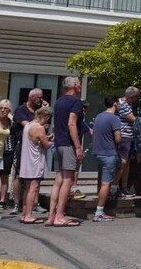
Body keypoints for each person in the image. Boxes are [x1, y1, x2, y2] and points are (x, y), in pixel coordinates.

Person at [46, 77, 84, 227]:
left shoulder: (58, 102)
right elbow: (72, 123)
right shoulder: (76, 102)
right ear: (74, 85)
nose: (80, 85)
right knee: (68, 180)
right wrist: (78, 147)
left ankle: (51, 215)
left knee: (59, 179)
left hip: (59, 143)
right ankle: (60, 216)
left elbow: (55, 125)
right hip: (68, 144)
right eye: (79, 83)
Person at [9, 88, 47, 215]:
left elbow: (45, 124)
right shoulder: (21, 110)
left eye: (41, 97)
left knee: (36, 177)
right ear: (32, 97)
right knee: (20, 174)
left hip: (37, 145)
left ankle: (35, 203)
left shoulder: (40, 110)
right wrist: (39, 124)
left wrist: (45, 110)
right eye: (39, 97)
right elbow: (27, 125)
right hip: (23, 145)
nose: (41, 99)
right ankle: (16, 203)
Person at [19, 107, 52, 224]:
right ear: (45, 117)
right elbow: (46, 145)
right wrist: (52, 140)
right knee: (33, 188)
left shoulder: (28, 125)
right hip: (35, 161)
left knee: (28, 188)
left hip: (27, 161)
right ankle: (28, 215)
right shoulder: (39, 128)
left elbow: (35, 140)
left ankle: (24, 214)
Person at [91, 95, 122, 222]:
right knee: (105, 183)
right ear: (115, 104)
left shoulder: (99, 116)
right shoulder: (114, 119)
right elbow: (118, 139)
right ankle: (99, 212)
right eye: (119, 103)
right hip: (109, 153)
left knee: (121, 164)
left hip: (98, 152)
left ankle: (114, 189)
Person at [117, 86, 140, 198]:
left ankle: (124, 187)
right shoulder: (123, 104)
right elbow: (132, 119)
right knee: (123, 162)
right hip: (124, 136)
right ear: (132, 97)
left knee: (127, 163)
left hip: (129, 136)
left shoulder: (126, 104)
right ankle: (116, 187)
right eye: (135, 97)